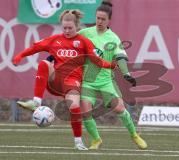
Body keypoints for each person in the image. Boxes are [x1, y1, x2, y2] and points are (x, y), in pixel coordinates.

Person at [12, 9, 115, 150]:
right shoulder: (55, 39)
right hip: (56, 80)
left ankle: (78, 142)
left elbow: (96, 60)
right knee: (44, 63)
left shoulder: (83, 42)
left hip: (72, 82)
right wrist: (19, 56)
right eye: (64, 27)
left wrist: (111, 65)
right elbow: (34, 48)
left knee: (74, 107)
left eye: (70, 28)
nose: (67, 30)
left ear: (77, 26)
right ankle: (36, 102)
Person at [79, 1, 147, 150]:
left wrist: (126, 74)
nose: (99, 21)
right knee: (85, 110)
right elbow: (67, 43)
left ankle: (135, 135)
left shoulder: (114, 38)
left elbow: (121, 58)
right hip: (88, 81)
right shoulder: (85, 33)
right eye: (98, 18)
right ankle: (96, 140)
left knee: (120, 109)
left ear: (109, 20)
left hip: (105, 81)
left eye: (103, 19)